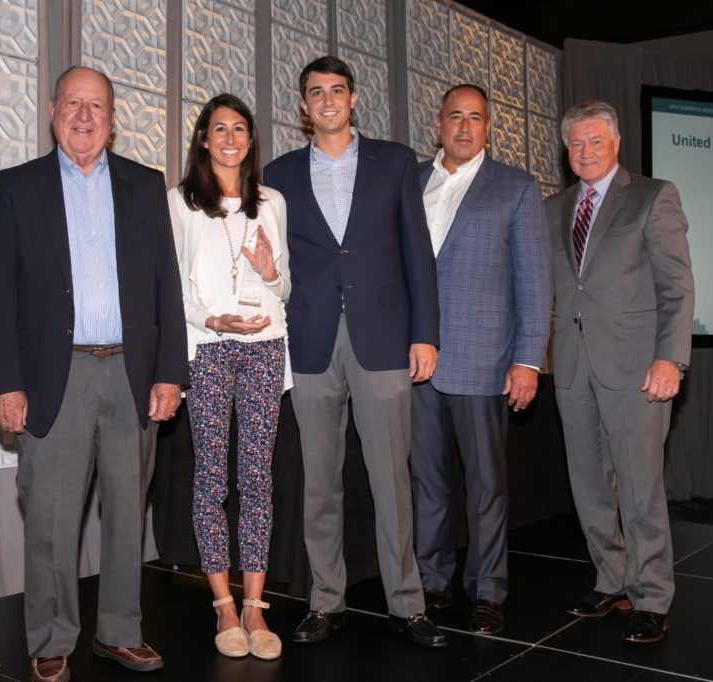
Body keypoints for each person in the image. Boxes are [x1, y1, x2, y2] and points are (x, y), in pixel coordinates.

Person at [0, 66, 189, 682]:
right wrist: (6, 384)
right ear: (52, 112)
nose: (84, 116)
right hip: (55, 379)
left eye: (96, 106)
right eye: (73, 103)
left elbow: (164, 288)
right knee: (50, 516)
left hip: (131, 373)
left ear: (113, 117)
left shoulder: (145, 186)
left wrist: (169, 372)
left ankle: (121, 631)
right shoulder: (16, 188)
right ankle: (51, 639)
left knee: (129, 512)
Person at [263, 55, 445, 648]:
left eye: (337, 90)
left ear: (354, 98)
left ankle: (408, 604)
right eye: (315, 92)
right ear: (303, 105)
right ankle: (325, 599)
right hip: (310, 342)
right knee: (319, 479)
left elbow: (418, 253)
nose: (328, 100)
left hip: (385, 339)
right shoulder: (279, 173)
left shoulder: (396, 162)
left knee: (392, 476)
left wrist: (426, 333)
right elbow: (273, 260)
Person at [546, 100, 694, 644]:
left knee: (639, 485)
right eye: (576, 143)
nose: (585, 151)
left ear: (616, 143)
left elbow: (676, 286)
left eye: (595, 141)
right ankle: (611, 578)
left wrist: (670, 358)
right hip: (573, 367)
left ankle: (652, 594)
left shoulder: (654, 197)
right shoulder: (553, 208)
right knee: (587, 483)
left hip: (638, 367)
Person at [409, 84, 552, 635]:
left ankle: (488, 589)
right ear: (438, 122)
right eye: (455, 117)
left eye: (476, 118)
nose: (465, 128)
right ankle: (431, 579)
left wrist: (528, 360)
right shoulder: (412, 181)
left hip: (485, 361)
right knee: (427, 478)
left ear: (488, 126)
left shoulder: (516, 188)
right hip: (417, 361)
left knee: (487, 483)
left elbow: (535, 283)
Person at [167, 93, 290, 660]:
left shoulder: (273, 203)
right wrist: (211, 317)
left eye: (240, 128)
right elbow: (176, 290)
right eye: (220, 128)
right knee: (212, 479)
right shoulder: (181, 203)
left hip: (265, 348)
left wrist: (272, 273)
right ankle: (221, 601)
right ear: (203, 139)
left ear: (250, 139)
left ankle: (255, 604)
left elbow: (283, 287)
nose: (230, 138)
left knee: (258, 478)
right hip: (211, 348)